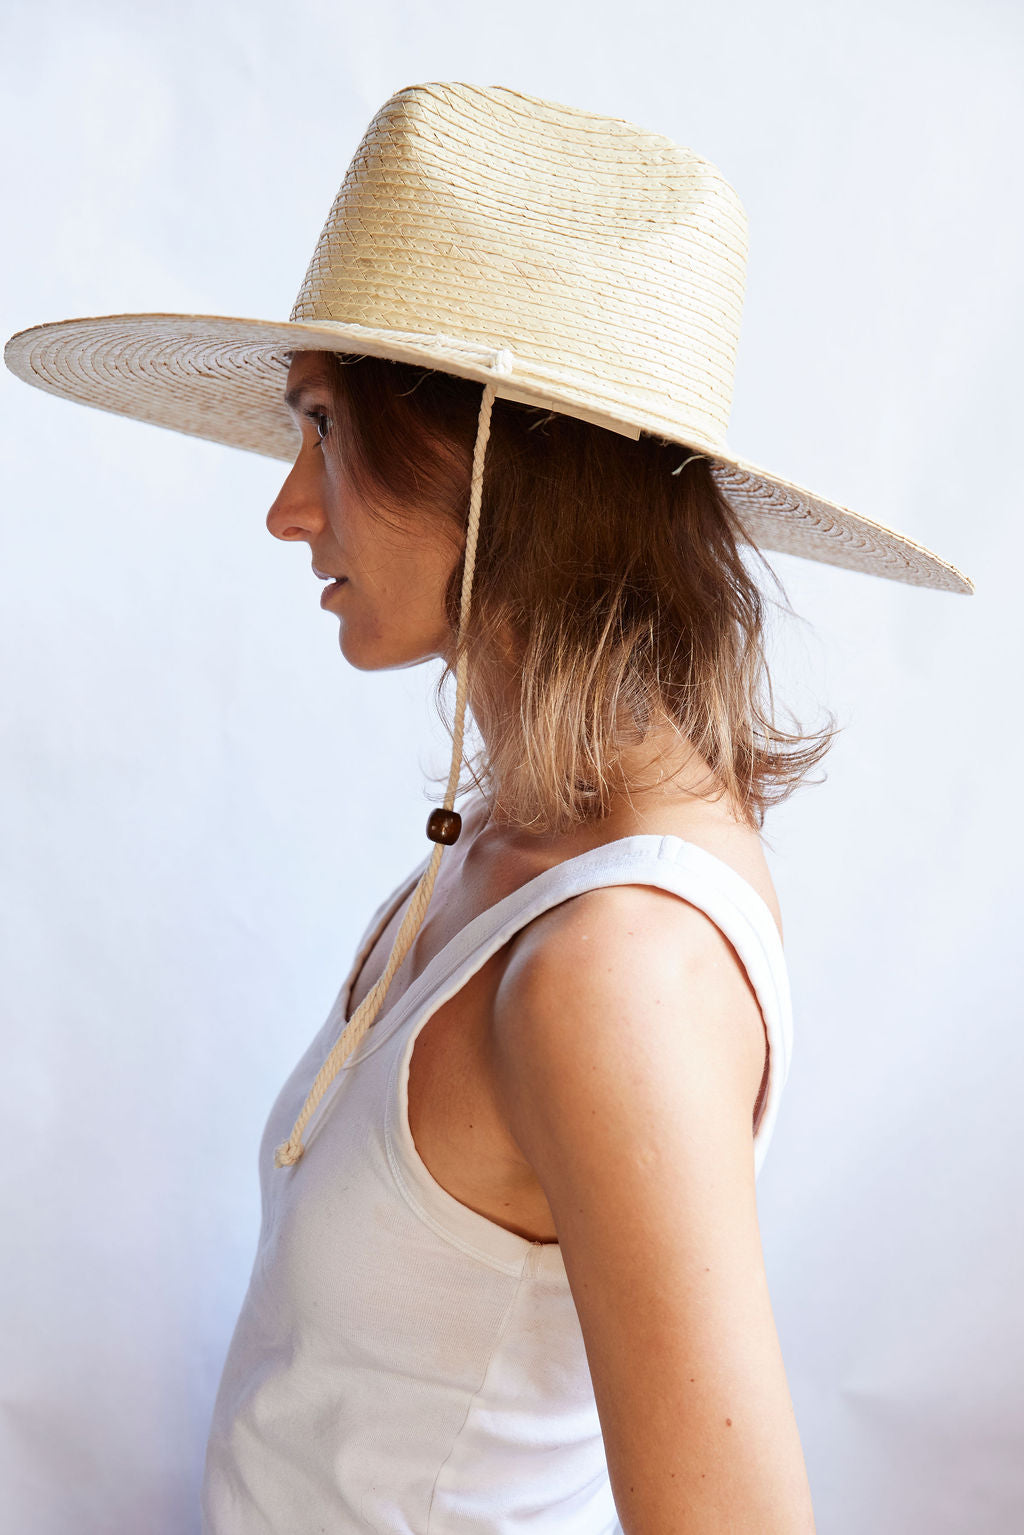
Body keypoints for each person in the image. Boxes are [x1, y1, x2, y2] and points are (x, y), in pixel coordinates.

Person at [5, 80, 972, 1535]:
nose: (287, 506)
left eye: (323, 427)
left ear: (485, 461)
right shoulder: (517, 846)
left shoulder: (615, 969)